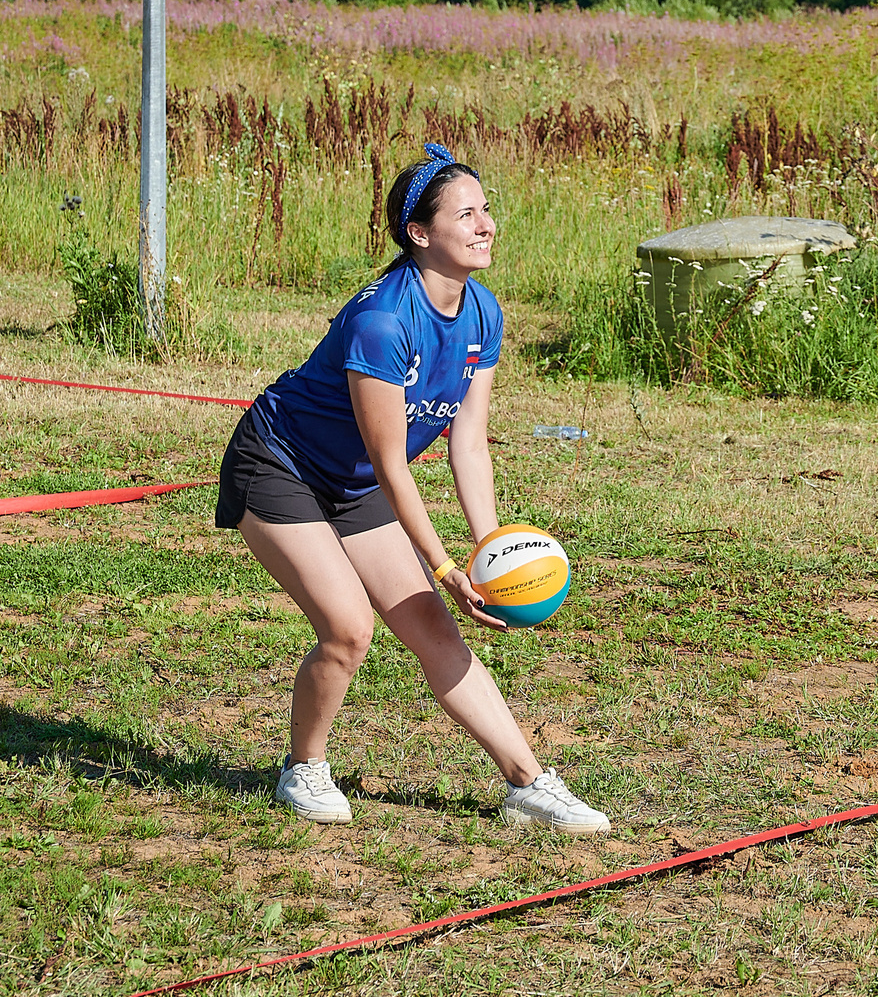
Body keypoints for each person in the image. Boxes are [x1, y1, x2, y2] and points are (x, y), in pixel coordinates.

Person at [214, 142, 609, 835]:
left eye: (487, 210)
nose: (485, 224)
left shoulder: (482, 312)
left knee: (433, 629)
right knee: (348, 628)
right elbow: (394, 465)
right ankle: (303, 768)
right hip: (281, 466)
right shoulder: (384, 320)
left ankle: (528, 783)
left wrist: (490, 549)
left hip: (355, 481)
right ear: (420, 233)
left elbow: (467, 439)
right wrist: (445, 566)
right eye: (466, 214)